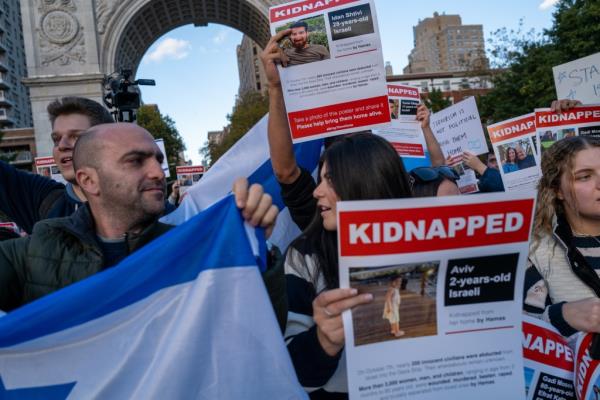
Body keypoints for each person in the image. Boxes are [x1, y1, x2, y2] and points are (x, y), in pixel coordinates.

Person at [0, 123, 285, 330]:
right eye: (135, 161)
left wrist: (256, 249)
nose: (157, 172)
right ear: (88, 181)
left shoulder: (195, 248)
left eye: (158, 160)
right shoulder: (33, 252)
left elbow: (255, 334)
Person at [261, 30, 418, 398]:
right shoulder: (305, 256)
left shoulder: (431, 241)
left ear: (363, 184)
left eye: (330, 180)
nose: (317, 191)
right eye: (319, 178)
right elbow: (294, 372)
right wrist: (323, 341)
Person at [0, 97, 114, 234]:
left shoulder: (137, 201)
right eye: (56, 139)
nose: (62, 146)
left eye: (76, 137)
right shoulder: (43, 200)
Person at [524, 134, 600, 337]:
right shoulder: (535, 252)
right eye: (585, 176)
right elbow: (521, 334)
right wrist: (562, 315)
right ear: (558, 190)